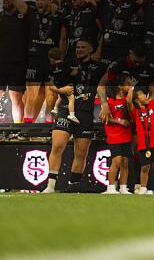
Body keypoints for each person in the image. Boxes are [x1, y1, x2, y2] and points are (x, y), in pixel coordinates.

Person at [42, 38, 108, 193]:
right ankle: (50, 186)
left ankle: (73, 185)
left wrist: (104, 103)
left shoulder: (100, 67)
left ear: (91, 50)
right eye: (77, 47)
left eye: (83, 47)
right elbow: (49, 82)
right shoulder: (65, 65)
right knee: (57, 146)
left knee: (81, 152)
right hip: (65, 110)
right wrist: (61, 90)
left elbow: (103, 84)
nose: (79, 49)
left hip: (85, 113)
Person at [12, 0, 62, 123]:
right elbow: (15, 0)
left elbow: (64, 38)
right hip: (34, 59)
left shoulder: (58, 15)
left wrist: (61, 56)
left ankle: (49, 124)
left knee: (51, 95)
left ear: (49, 0)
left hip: (52, 61)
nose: (39, 2)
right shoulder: (31, 12)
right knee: (31, 93)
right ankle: (27, 124)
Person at [103, 76, 133, 195]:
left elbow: (130, 102)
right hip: (114, 135)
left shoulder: (127, 100)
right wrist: (119, 121)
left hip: (126, 135)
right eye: (127, 84)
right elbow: (105, 119)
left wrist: (131, 89)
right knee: (116, 160)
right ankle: (110, 187)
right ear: (120, 86)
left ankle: (123, 188)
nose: (129, 86)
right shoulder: (109, 102)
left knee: (125, 161)